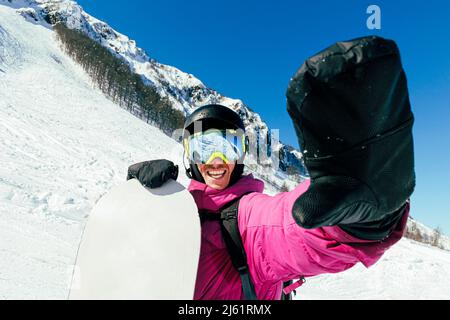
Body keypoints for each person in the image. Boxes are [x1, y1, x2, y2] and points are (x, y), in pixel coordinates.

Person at [128, 36, 415, 300]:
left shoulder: (244, 219)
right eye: (204, 149)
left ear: (240, 155)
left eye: (227, 147)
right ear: (190, 157)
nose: (216, 160)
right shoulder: (175, 211)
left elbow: (283, 229)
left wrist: (359, 218)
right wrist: (146, 204)